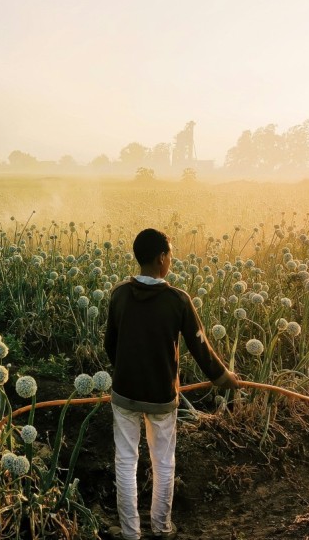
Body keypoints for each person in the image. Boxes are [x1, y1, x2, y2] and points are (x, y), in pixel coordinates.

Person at [104, 228, 239, 540]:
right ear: (161, 258)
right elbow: (200, 346)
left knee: (125, 462)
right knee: (163, 462)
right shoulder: (178, 301)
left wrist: (125, 369)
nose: (171, 261)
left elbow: (110, 344)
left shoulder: (119, 294)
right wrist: (224, 379)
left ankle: (130, 533)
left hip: (124, 393)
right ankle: (162, 527)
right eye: (170, 255)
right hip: (162, 397)